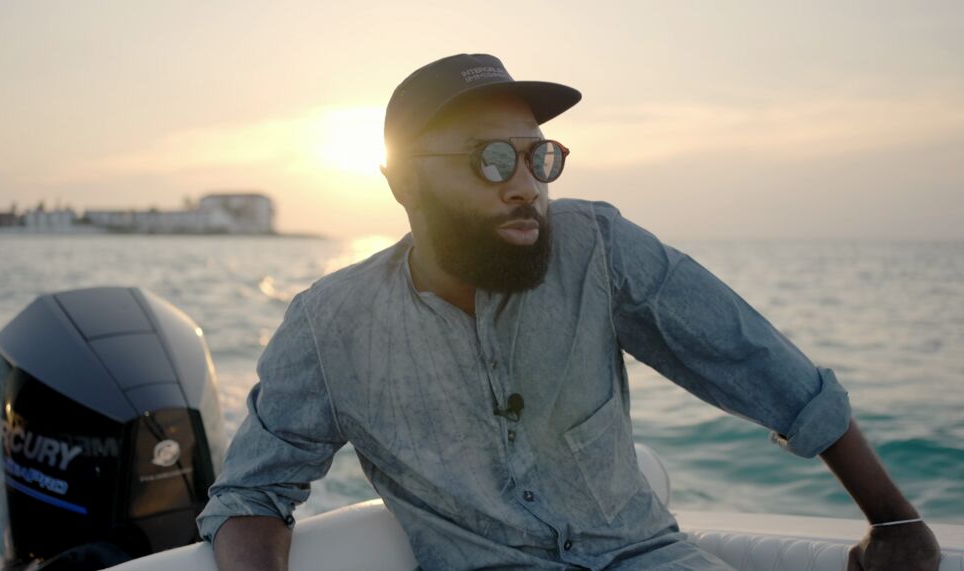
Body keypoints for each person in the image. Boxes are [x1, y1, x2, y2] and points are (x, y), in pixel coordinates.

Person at [197, 54, 941, 570]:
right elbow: (251, 491)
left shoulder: (599, 248)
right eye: (491, 159)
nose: (526, 185)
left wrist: (896, 519)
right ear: (402, 183)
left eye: (538, 156)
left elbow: (759, 365)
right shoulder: (332, 325)